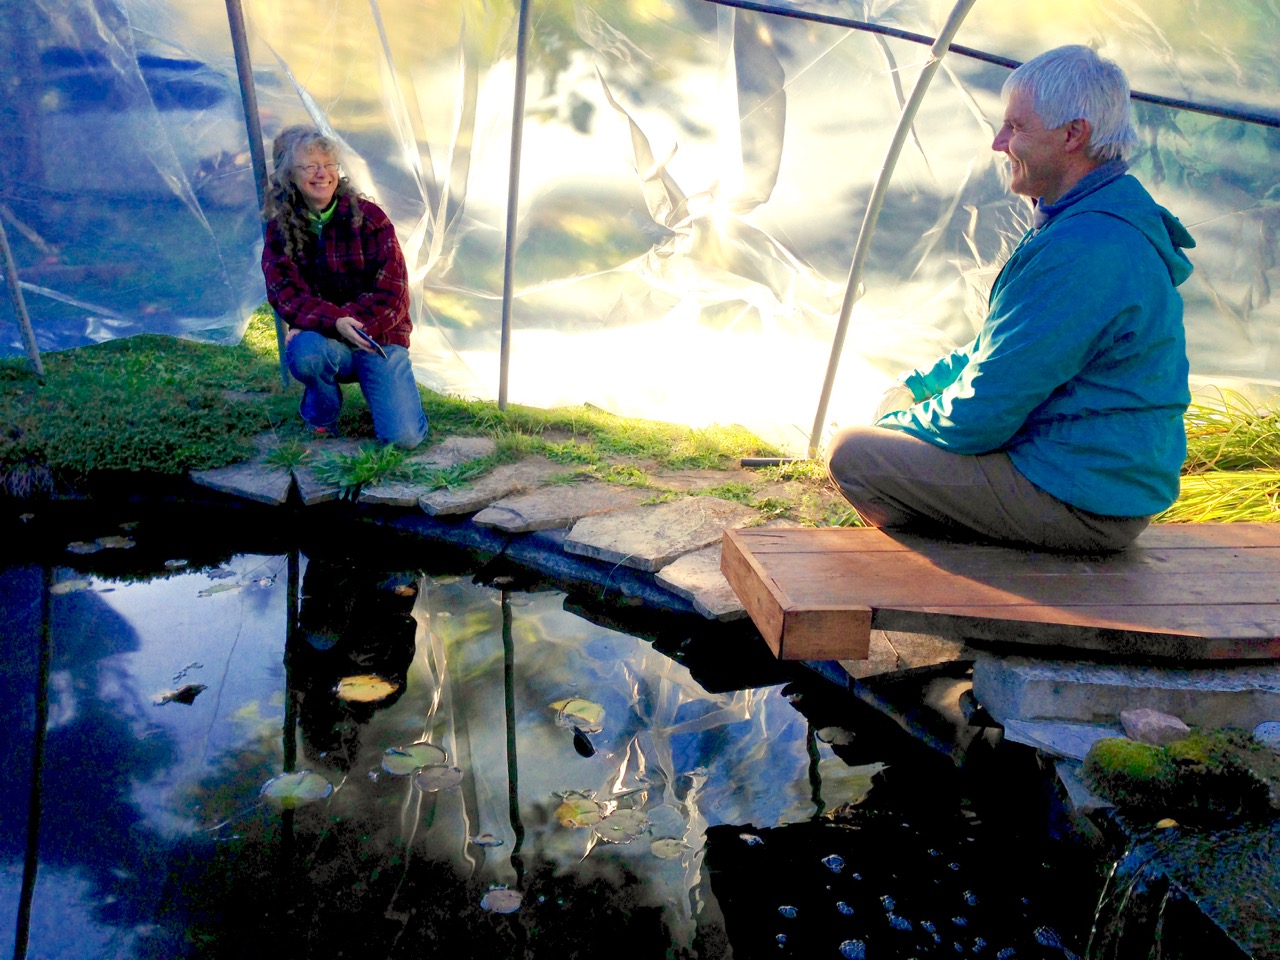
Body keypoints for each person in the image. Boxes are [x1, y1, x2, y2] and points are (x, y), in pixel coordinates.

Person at [826, 45, 1195, 552]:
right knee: (891, 449)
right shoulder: (1092, 219)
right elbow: (998, 348)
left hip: (1082, 498)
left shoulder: (1085, 249)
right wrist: (917, 388)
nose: (999, 143)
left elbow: (981, 413)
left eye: (1016, 127)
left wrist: (892, 426)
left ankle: (984, 588)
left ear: (1073, 134)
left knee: (854, 454)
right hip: (1091, 478)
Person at [261, 125, 428, 448]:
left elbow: (393, 295)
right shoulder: (279, 229)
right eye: (310, 166)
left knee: (404, 438)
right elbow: (285, 294)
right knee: (305, 353)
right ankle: (322, 412)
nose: (322, 173)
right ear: (289, 176)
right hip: (325, 342)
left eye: (329, 164)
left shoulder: (370, 218)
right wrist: (334, 322)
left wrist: (349, 323)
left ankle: (387, 395)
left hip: (377, 339)